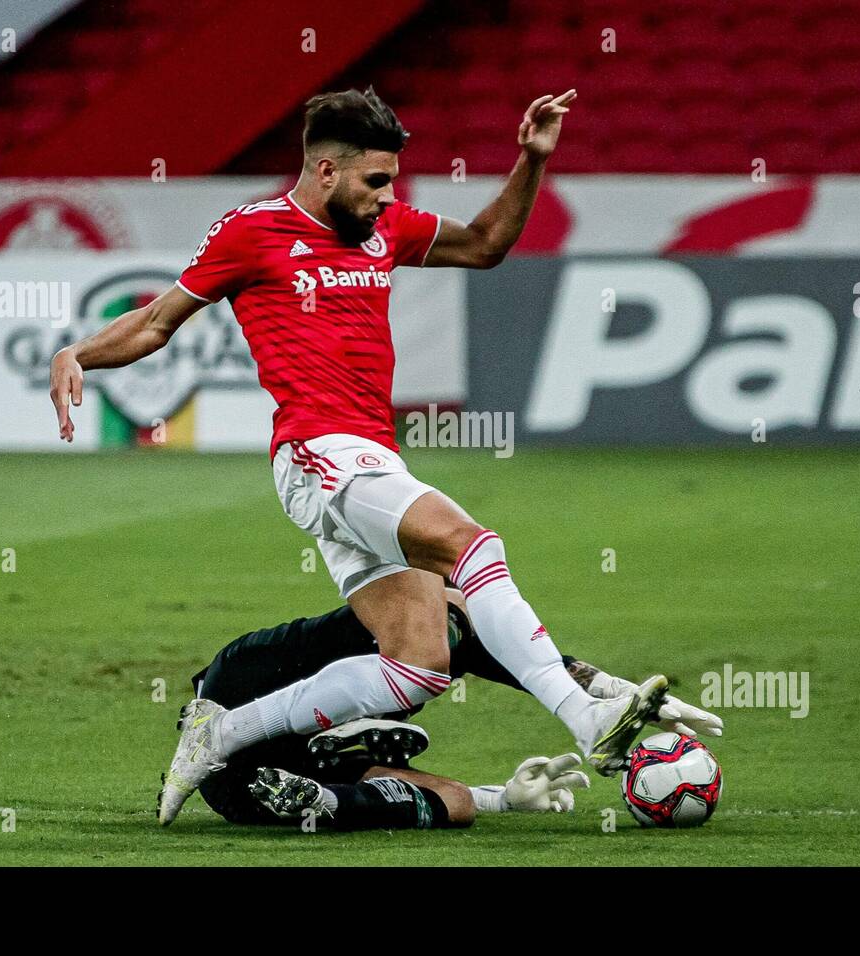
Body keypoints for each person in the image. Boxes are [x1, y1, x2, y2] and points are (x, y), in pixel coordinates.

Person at [48, 85, 670, 828]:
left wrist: (531, 160)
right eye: (375, 181)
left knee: (416, 665)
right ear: (325, 173)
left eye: (392, 183)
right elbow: (155, 323)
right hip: (317, 451)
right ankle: (583, 717)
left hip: (374, 460)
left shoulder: (386, 229)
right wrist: (79, 351)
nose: (387, 197)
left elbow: (486, 244)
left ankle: (225, 734)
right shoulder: (252, 232)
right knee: (472, 547)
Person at [175, 591, 722, 830]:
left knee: (455, 804)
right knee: (423, 647)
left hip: (270, 781)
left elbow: (527, 663)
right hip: (228, 734)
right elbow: (502, 647)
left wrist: (504, 801)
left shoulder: (439, 641)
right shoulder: (388, 622)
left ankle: (329, 796)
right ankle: (345, 741)